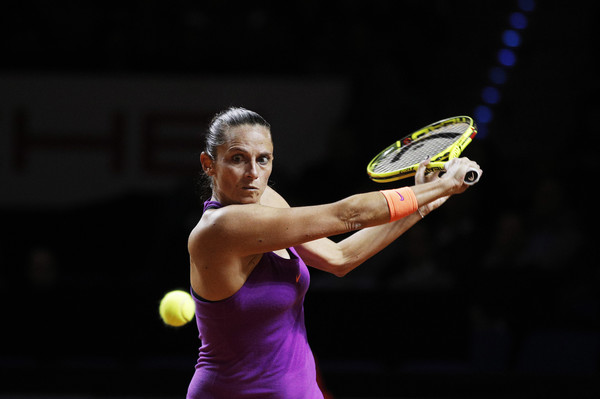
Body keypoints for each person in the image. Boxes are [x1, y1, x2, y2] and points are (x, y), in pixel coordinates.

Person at [186, 106, 482, 398]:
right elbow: (347, 215)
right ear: (208, 164)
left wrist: (424, 204)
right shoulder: (219, 229)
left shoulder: (266, 199)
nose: (253, 173)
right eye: (237, 159)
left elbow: (340, 258)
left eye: (263, 160)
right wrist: (444, 184)